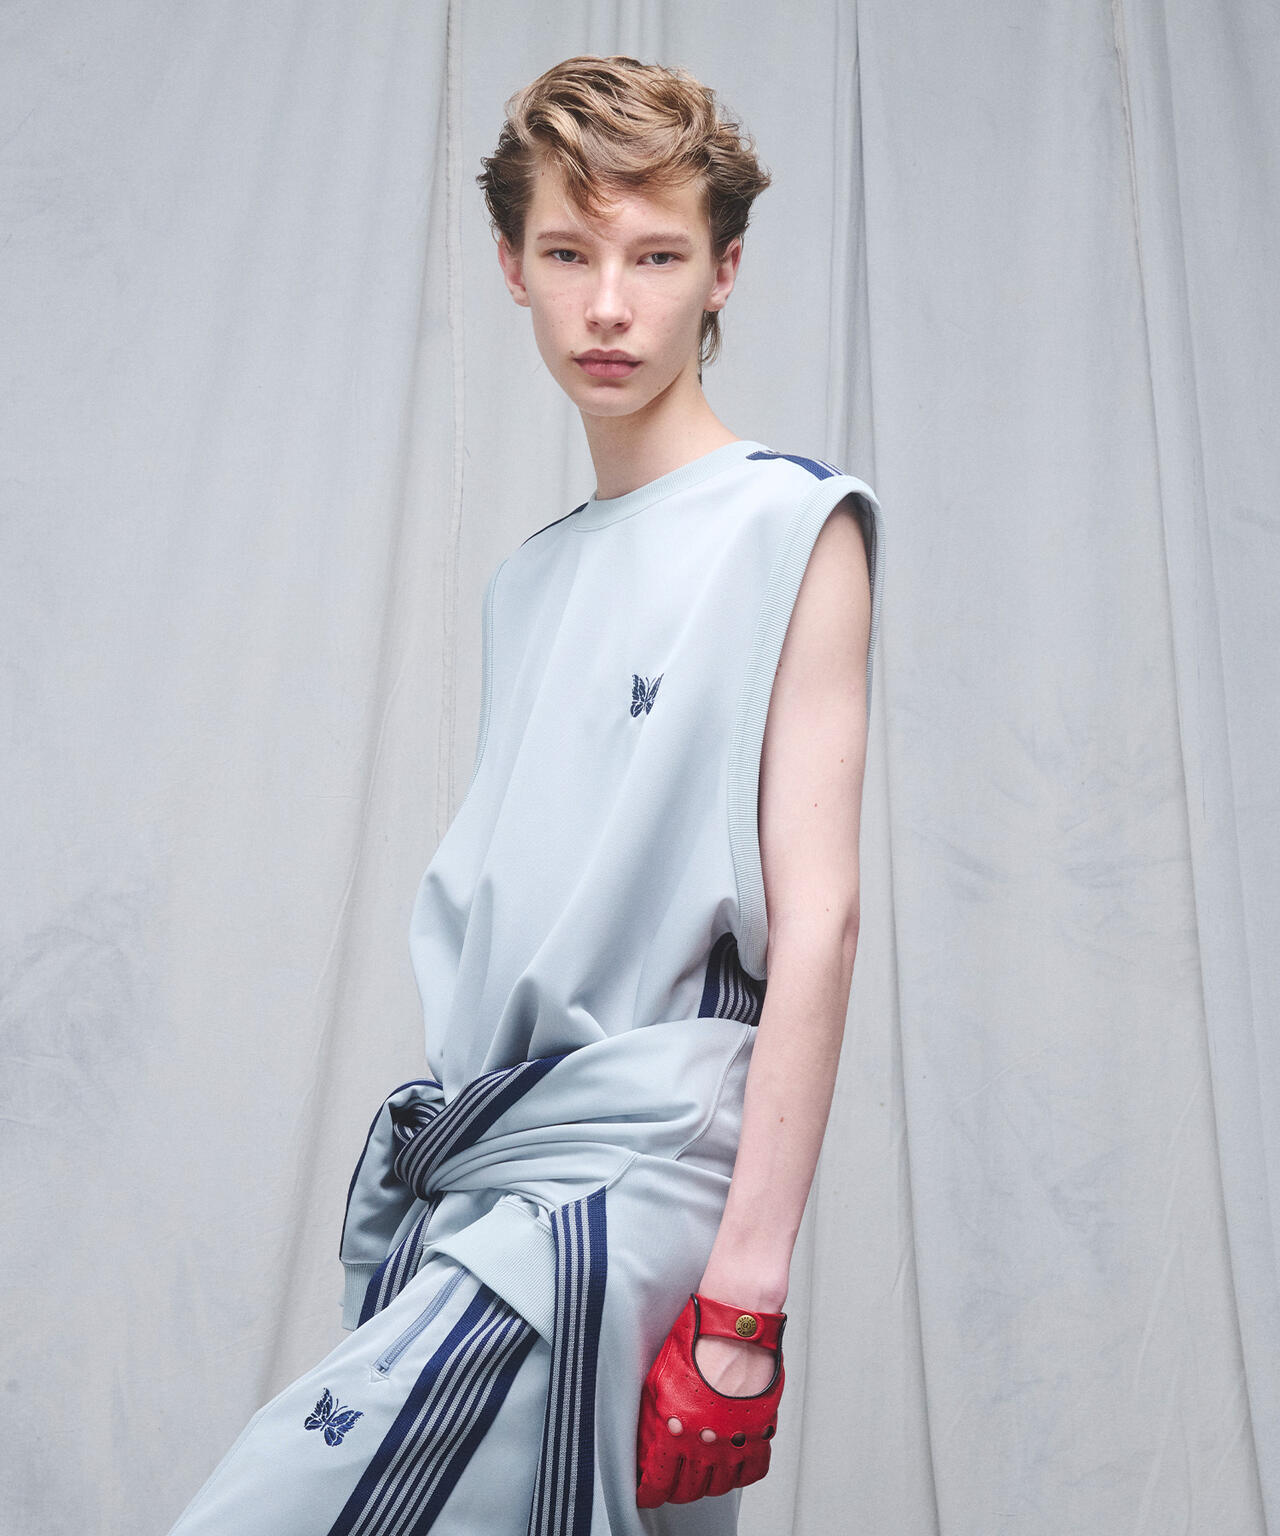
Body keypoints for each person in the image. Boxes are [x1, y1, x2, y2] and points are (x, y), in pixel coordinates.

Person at [166, 52, 883, 1536]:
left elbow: (817, 926)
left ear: (723, 271)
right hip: (497, 1180)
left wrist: (745, 1305)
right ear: (512, 268)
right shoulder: (530, 582)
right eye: (568, 254)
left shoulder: (789, 524)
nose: (608, 305)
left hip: (626, 1190)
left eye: (657, 257)